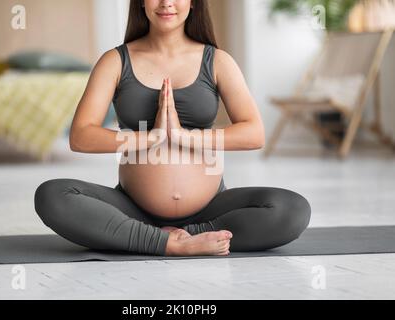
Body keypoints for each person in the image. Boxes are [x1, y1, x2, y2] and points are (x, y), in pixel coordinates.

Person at [34, 0, 311, 256]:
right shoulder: (115, 61)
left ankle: (184, 237)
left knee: (292, 210)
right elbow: (82, 136)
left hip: (210, 210)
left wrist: (183, 137)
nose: (166, 2)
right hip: (133, 209)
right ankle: (167, 243)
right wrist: (151, 138)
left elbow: (254, 134)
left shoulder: (217, 60)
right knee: (52, 196)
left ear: (193, 2)